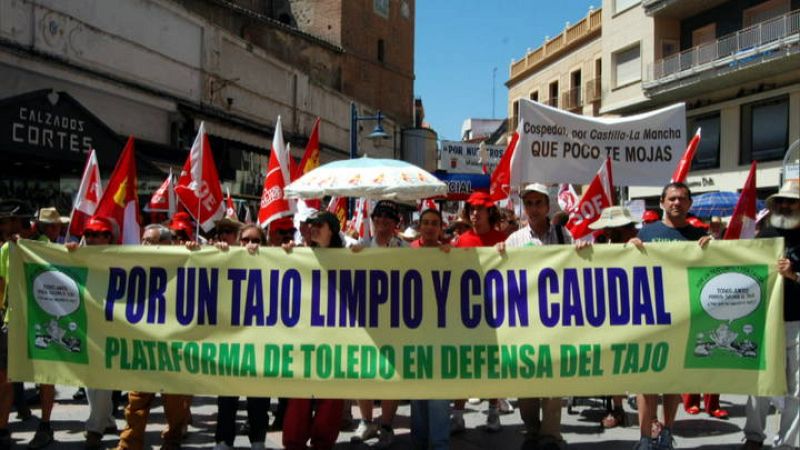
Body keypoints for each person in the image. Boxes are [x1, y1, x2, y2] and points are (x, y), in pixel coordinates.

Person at [628, 182, 712, 450]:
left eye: (682, 198)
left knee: (673, 380)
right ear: (662, 202)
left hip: (683, 317)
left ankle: (667, 432)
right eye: (672, 198)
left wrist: (714, 249)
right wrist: (629, 248)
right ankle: (645, 437)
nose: (677, 202)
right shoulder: (647, 232)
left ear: (689, 204)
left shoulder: (699, 235)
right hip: (650, 316)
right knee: (646, 380)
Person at [500, 183, 576, 449]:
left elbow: (575, 267)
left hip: (556, 320)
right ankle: (532, 432)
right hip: (526, 322)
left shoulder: (564, 235)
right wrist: (497, 254)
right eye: (529, 203)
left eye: (538, 203)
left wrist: (582, 251)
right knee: (527, 382)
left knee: (554, 381)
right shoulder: (514, 240)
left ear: (547, 206)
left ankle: (550, 436)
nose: (533, 208)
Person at [116, 224, 193, 450]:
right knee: (136, 399)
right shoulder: (133, 263)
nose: (145, 244)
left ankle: (173, 438)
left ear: (168, 244)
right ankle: (129, 443)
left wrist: (194, 250)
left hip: (173, 344)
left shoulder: (183, 262)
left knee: (174, 401)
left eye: (151, 241)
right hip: (145, 343)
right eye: (144, 239)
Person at [741, 179, 800, 450]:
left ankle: (786, 443)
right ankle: (754, 437)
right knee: (759, 383)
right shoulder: (765, 235)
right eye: (781, 201)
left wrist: (794, 275)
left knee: (797, 389)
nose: (785, 206)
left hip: (797, 323)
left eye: (792, 202)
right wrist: (711, 246)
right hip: (765, 320)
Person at [282, 211, 344, 450]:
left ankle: (323, 443)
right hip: (304, 336)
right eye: (311, 224)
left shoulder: (348, 257)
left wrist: (361, 255)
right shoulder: (300, 254)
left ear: (332, 230)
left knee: (332, 397)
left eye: (319, 224)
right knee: (300, 395)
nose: (313, 228)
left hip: (336, 338)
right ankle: (294, 443)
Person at [451, 192, 508, 433]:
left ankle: (493, 412)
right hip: (467, 311)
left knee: (492, 363)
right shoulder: (461, 240)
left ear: (489, 212)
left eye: (480, 209)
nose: (475, 213)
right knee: (464, 363)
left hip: (495, 310)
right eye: (471, 209)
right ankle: (458, 415)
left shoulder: (502, 238)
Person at [351, 201, 405, 447]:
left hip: (396, 321)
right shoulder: (359, 247)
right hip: (366, 321)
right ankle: (366, 421)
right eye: (378, 217)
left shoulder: (406, 249)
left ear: (396, 223)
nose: (382, 222)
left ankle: (386, 425)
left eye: (388, 218)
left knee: (391, 374)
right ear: (372, 220)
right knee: (362, 371)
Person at [65, 217, 121, 450]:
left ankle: (94, 428)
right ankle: (106, 419)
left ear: (109, 237)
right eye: (89, 234)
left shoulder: (123, 257)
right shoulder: (79, 254)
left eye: (99, 234)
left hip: (113, 324)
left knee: (103, 376)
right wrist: (68, 253)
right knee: (89, 377)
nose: (93, 239)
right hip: (86, 322)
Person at [212, 222, 270, 450]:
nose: (250, 244)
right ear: (238, 241)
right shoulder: (226, 257)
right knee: (227, 395)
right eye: (245, 239)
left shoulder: (273, 263)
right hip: (231, 339)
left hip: (260, 339)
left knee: (259, 396)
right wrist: (216, 251)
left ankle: (258, 440)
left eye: (256, 240)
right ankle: (223, 441)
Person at [588, 206, 641, 430]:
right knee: (612, 364)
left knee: (641, 363)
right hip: (610, 314)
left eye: (613, 228)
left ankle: (649, 417)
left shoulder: (642, 243)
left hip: (638, 314)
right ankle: (617, 408)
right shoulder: (603, 247)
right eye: (607, 228)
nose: (608, 232)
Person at [409, 209, 450, 450]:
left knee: (439, 393)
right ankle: (419, 442)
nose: (429, 227)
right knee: (417, 395)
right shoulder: (407, 252)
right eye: (425, 222)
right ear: (419, 226)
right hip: (415, 334)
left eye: (434, 223)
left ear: (441, 227)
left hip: (442, 334)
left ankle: (439, 444)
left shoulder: (450, 252)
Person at [0, 200, 38, 450]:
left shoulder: (42, 247)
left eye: (8, 221)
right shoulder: (6, 250)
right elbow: (1, 285)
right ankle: (3, 428)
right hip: (10, 320)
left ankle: (41, 423)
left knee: (44, 376)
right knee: (5, 378)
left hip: (40, 322)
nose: (4, 227)